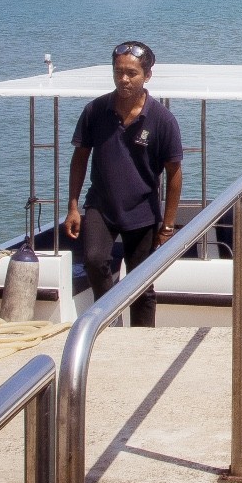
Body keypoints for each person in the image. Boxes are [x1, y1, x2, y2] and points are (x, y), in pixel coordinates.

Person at [65, 40, 183, 322]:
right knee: (94, 261)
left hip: (143, 212)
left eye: (132, 73)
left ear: (147, 75)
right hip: (101, 207)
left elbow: (174, 173)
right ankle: (109, 322)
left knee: (142, 286)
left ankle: (142, 341)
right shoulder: (95, 111)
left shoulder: (163, 120)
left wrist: (167, 225)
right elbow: (79, 159)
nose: (124, 79)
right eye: (118, 72)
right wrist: (73, 207)